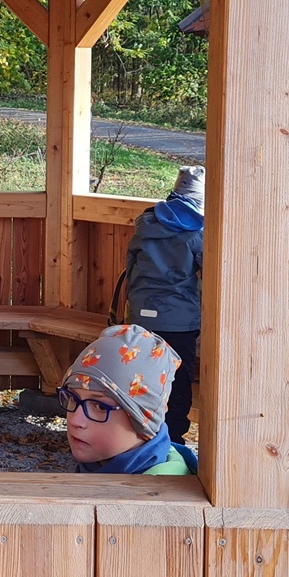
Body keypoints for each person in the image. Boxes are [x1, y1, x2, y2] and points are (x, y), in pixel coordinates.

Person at [123, 165, 204, 441]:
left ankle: (140, 436)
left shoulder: (145, 225)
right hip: (178, 322)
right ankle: (173, 441)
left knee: (143, 378)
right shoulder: (197, 232)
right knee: (178, 382)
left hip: (141, 317)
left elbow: (131, 269)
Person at [59, 323, 197, 476]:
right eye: (73, 398)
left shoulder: (161, 488)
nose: (75, 421)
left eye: (100, 406)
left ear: (143, 419)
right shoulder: (102, 467)